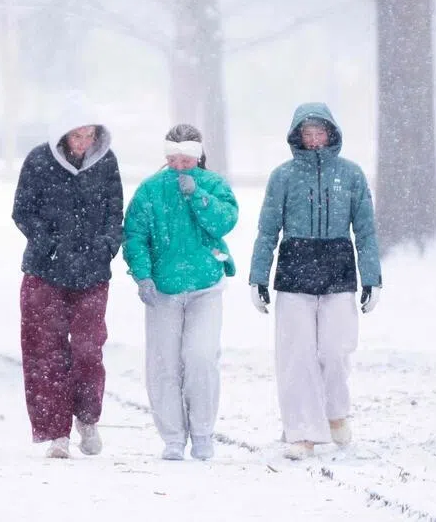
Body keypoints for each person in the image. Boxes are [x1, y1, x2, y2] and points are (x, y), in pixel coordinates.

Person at [249, 102, 381, 460]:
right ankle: (302, 432)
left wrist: (372, 277)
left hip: (338, 267)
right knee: (297, 355)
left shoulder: (351, 175)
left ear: (332, 133)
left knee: (336, 350)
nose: (313, 138)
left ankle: (335, 411)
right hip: (295, 269)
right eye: (306, 132)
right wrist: (258, 275)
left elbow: (366, 230)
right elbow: (267, 230)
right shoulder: (283, 176)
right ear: (297, 136)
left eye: (319, 131)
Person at [12, 105, 124, 459]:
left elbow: (114, 211)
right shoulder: (38, 161)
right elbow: (23, 210)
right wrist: (50, 244)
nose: (83, 142)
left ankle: (87, 417)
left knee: (89, 349)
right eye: (77, 135)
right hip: (46, 271)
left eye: (90, 135)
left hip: (91, 272)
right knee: (46, 352)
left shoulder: (106, 163)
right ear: (63, 135)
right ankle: (55, 431)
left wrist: (106, 246)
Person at [123, 124, 238, 461]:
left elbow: (225, 222)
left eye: (186, 159)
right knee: (164, 365)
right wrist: (143, 275)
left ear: (199, 156)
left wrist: (198, 197)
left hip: (205, 286)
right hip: (163, 290)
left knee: (201, 358)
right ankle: (173, 436)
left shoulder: (213, 185)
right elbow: (135, 235)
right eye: (173, 158)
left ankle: (203, 433)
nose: (179, 165)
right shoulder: (150, 190)